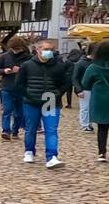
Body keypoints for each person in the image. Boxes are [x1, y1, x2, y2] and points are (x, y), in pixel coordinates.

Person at [14, 38, 70, 170]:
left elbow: (65, 83)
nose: (49, 52)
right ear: (37, 50)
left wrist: (57, 94)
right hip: (31, 102)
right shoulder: (27, 65)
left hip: (50, 101)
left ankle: (52, 156)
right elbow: (19, 84)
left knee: (51, 130)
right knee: (31, 128)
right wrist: (28, 95)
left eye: (51, 50)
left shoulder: (58, 66)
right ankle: (29, 151)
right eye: (46, 49)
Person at [0, 37, 33, 141]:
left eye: (17, 49)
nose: (15, 51)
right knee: (7, 110)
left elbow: (32, 71)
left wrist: (21, 70)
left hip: (22, 89)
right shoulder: (4, 56)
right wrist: (4, 71)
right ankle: (6, 131)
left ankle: (15, 130)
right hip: (7, 87)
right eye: (13, 49)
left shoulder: (29, 57)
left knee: (19, 113)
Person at [72, 44, 96, 132]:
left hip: (94, 88)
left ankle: (89, 123)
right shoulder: (80, 63)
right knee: (85, 108)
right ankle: (84, 125)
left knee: (91, 107)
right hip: (84, 89)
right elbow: (75, 78)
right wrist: (79, 90)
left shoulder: (96, 63)